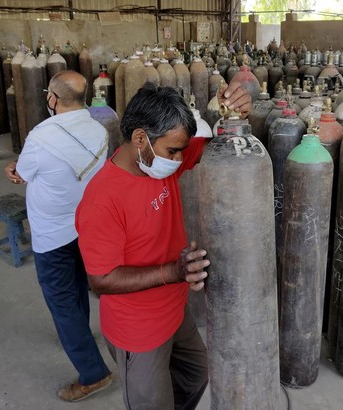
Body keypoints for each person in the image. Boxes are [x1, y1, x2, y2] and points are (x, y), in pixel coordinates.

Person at [75, 82, 251, 409]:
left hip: (175, 313)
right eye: (173, 151)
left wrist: (235, 116)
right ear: (140, 138)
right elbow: (101, 280)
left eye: (181, 150)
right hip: (138, 331)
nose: (180, 159)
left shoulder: (158, 162)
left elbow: (212, 145)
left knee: (199, 380)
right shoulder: (102, 200)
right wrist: (174, 271)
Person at [4, 70, 113, 401]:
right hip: (88, 226)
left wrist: (13, 171)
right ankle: (80, 332)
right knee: (78, 283)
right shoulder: (97, 127)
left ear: (52, 98)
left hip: (53, 234)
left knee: (61, 298)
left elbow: (22, 173)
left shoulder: (40, 137)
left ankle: (93, 374)